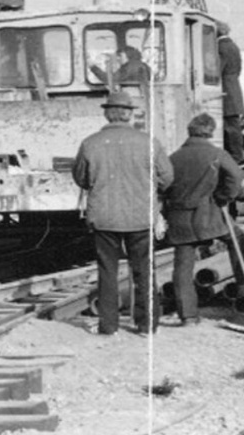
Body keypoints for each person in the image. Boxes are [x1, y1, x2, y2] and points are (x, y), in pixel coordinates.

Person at [72, 91, 173, 336]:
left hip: (104, 218)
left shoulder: (90, 143)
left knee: (107, 271)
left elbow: (80, 178)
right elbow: (167, 177)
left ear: (107, 113)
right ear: (129, 114)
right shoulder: (149, 142)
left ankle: (108, 326)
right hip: (141, 216)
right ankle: (147, 325)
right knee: (144, 272)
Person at [163, 113, 244, 327]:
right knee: (238, 239)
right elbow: (237, 177)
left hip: (180, 218)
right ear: (210, 132)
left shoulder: (173, 157)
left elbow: (163, 184)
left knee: (183, 265)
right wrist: (223, 196)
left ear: (189, 131)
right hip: (209, 215)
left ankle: (188, 316)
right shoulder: (216, 154)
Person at [217, 22, 244, 166]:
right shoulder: (233, 46)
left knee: (229, 127)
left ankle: (235, 156)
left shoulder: (221, 48)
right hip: (233, 89)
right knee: (233, 126)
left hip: (225, 90)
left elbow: (217, 70)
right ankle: (238, 155)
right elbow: (238, 69)